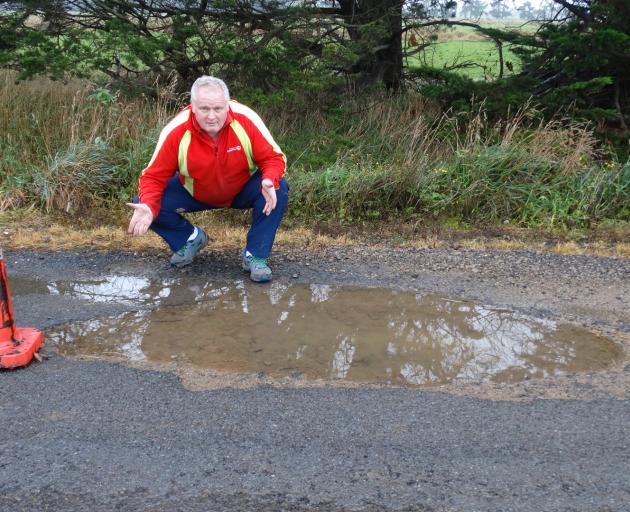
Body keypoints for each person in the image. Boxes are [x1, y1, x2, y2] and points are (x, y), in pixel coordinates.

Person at [127, 76, 288, 283]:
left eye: (218, 109)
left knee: (279, 187)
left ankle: (255, 256)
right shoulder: (176, 131)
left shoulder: (246, 119)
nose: (212, 116)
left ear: (227, 105)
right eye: (204, 109)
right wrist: (149, 205)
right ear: (192, 106)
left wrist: (269, 179)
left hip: (241, 189)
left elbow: (274, 157)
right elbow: (153, 177)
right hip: (195, 192)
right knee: (143, 203)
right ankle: (189, 238)